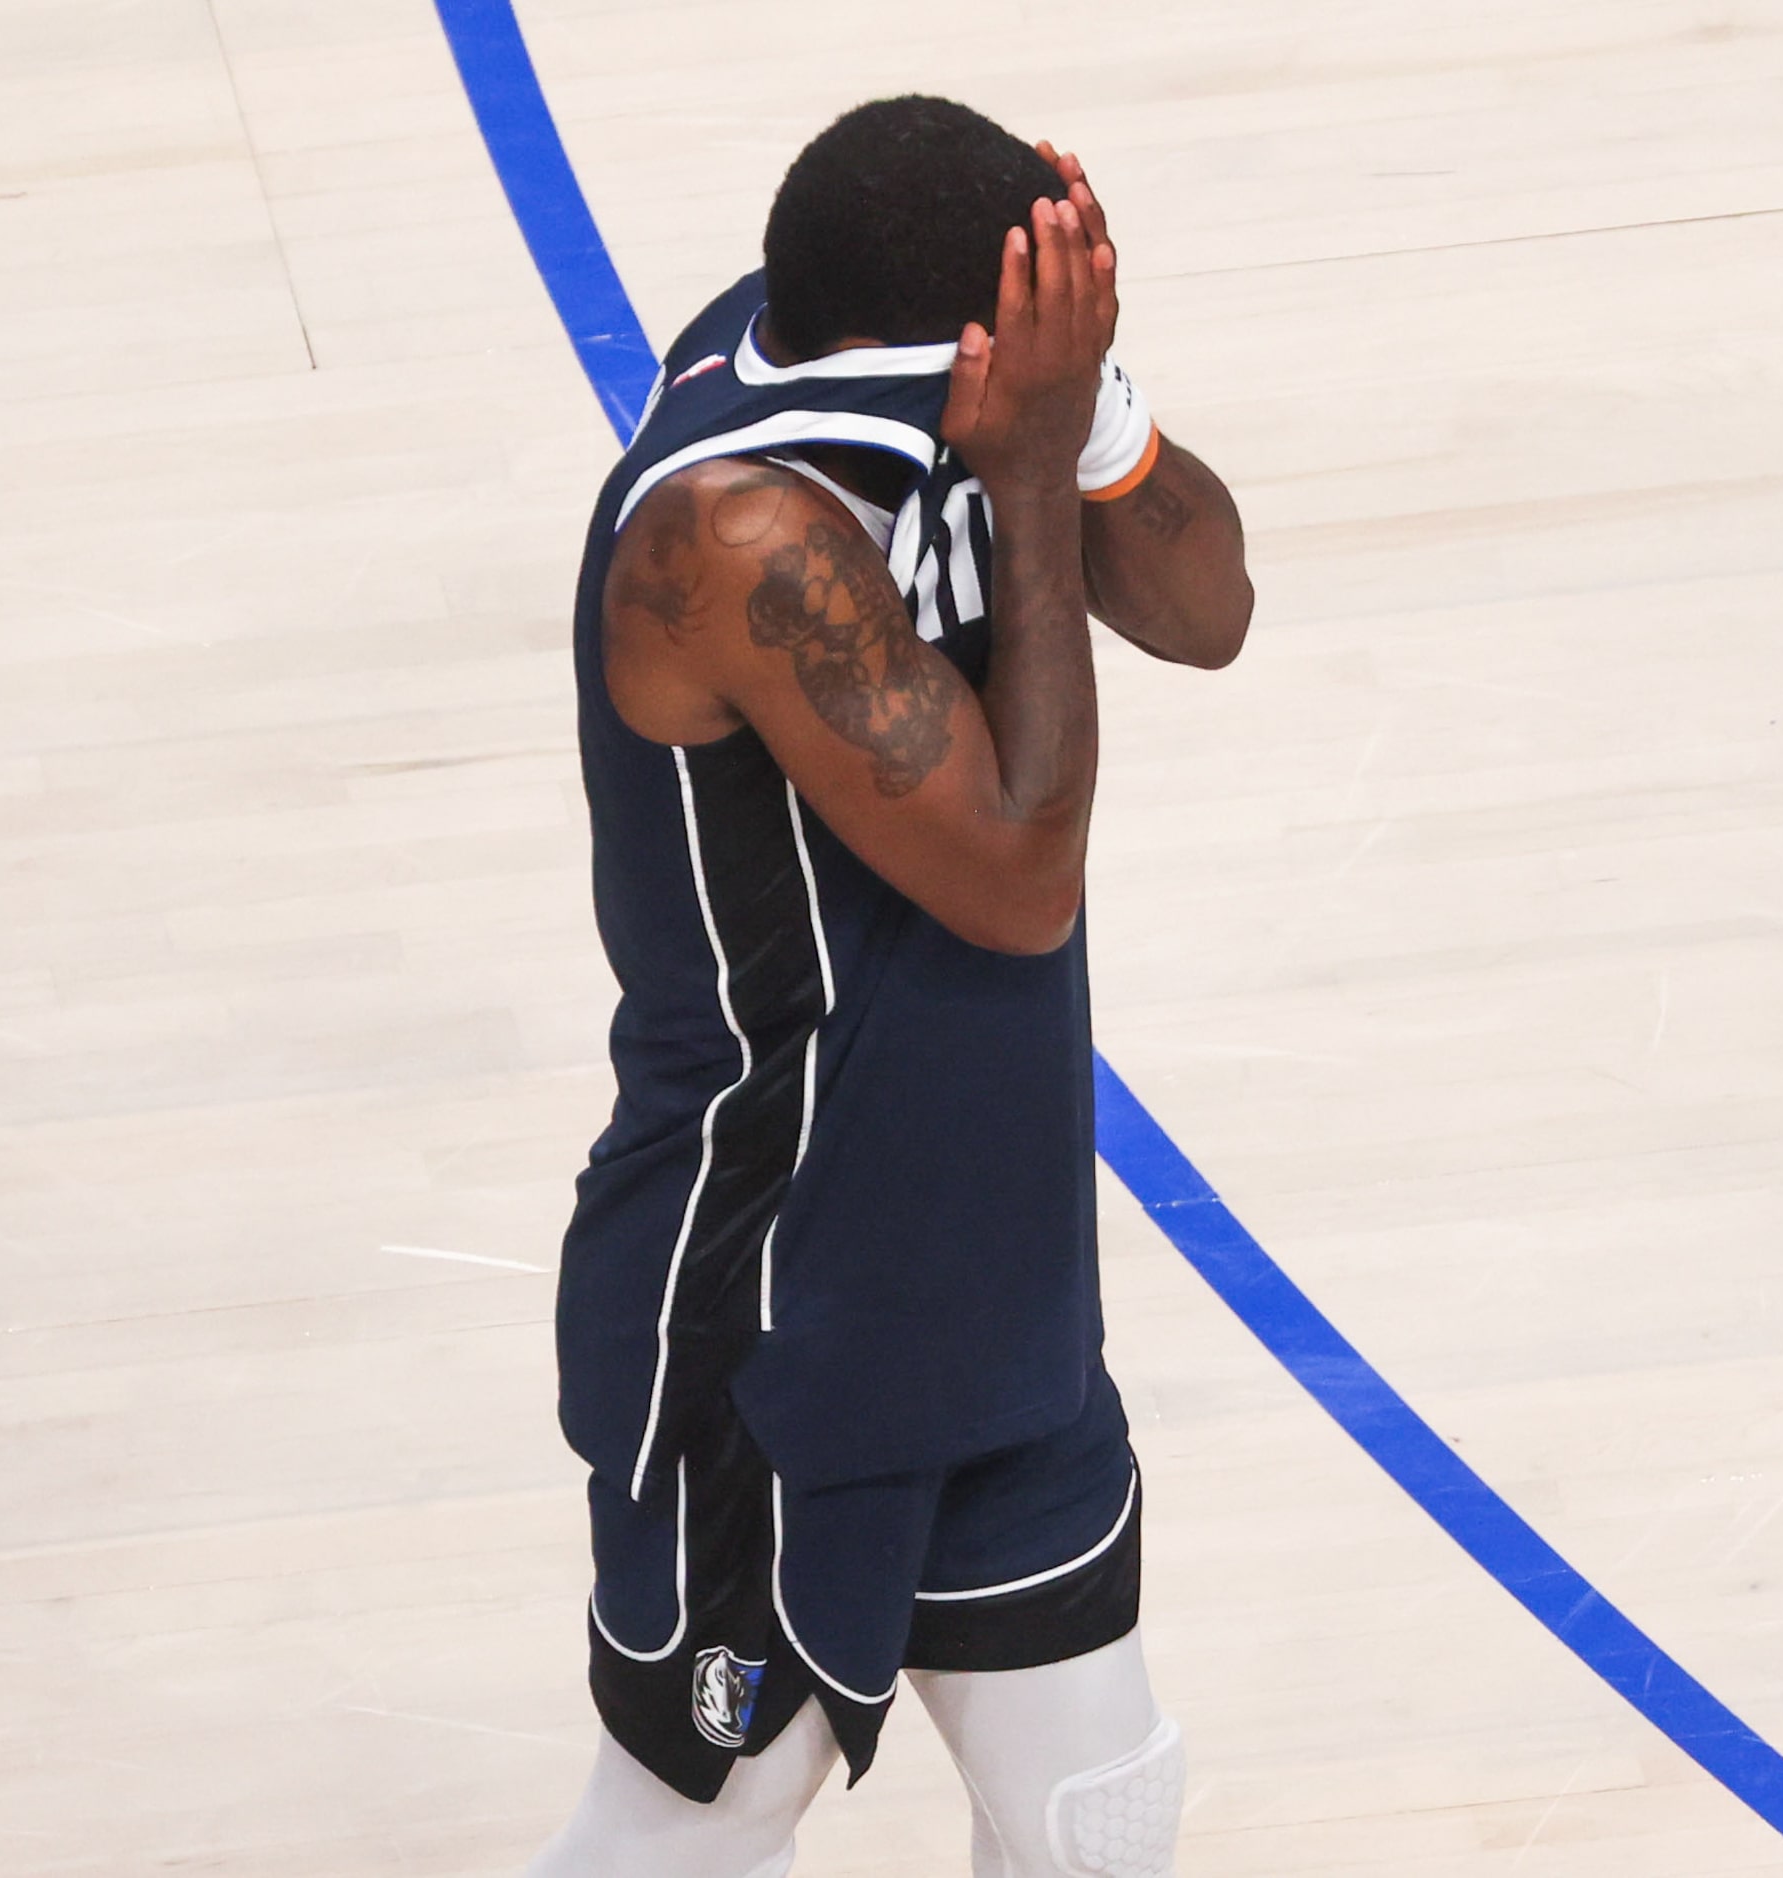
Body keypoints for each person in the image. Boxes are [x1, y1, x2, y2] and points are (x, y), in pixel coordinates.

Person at [523, 93, 1252, 1878]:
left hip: (991, 1262)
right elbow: (1017, 876)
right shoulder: (731, 537)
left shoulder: (932, 369)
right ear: (959, 350)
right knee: (705, 1819)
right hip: (775, 1298)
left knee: (1097, 1815)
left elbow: (1215, 604)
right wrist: (1025, 472)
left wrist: (1095, 426)